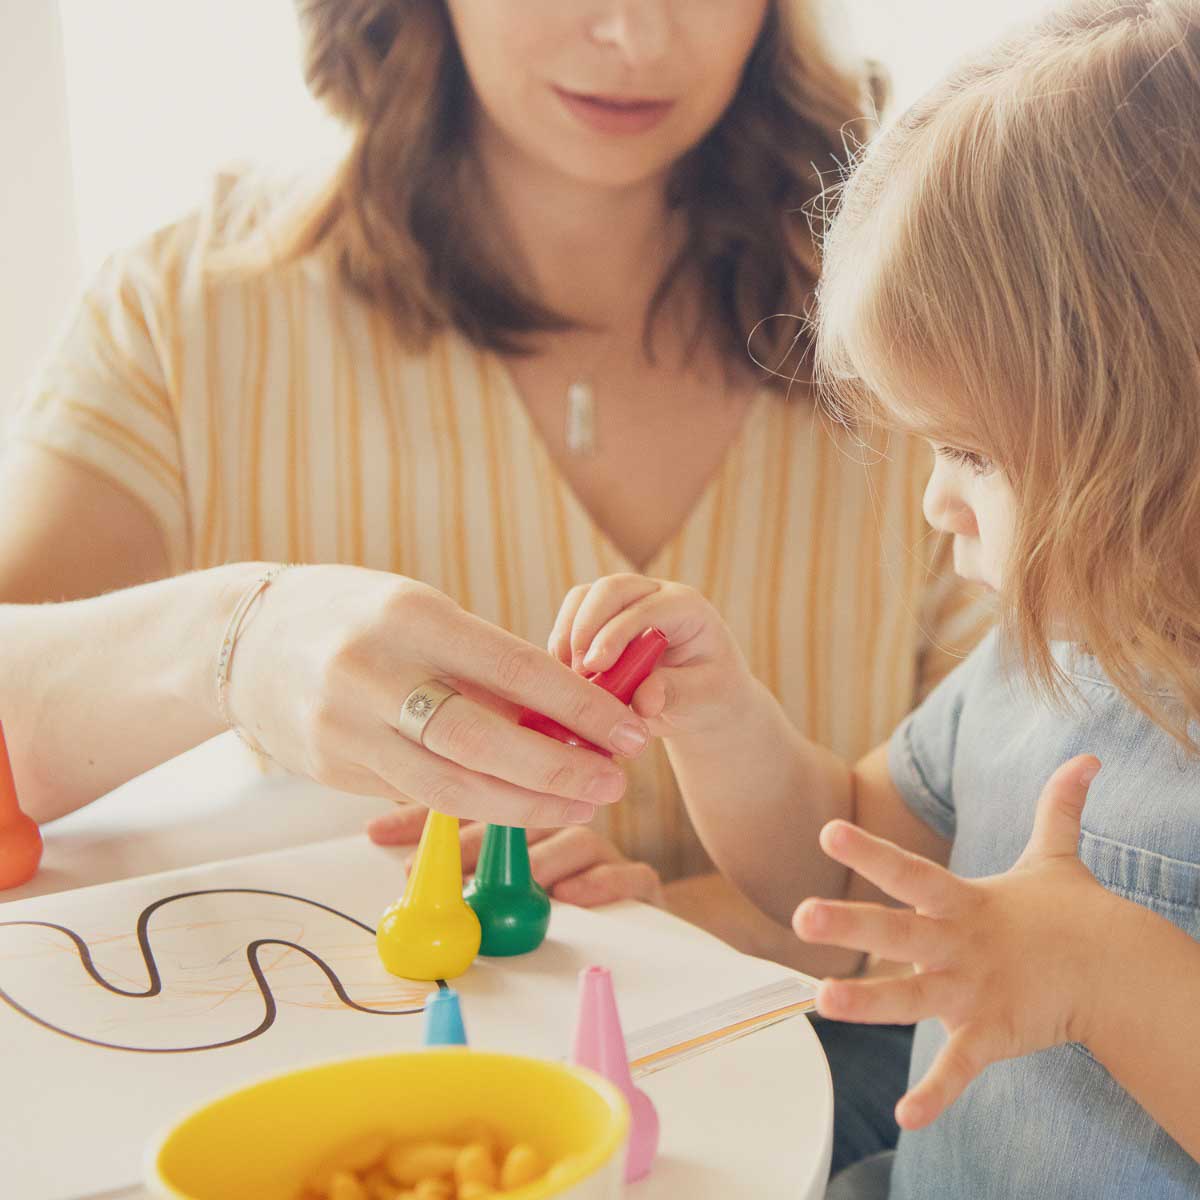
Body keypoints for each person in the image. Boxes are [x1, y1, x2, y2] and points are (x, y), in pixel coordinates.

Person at [0, 0, 983, 1174]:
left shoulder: (931, 327)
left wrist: (670, 935)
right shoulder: (197, 312)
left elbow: (1024, 841)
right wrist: (239, 641)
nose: (632, 35)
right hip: (396, 1123)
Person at [548, 1, 1200, 1196]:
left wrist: (1105, 970)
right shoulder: (1036, 660)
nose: (936, 505)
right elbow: (844, 880)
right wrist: (722, 716)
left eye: (977, 455)